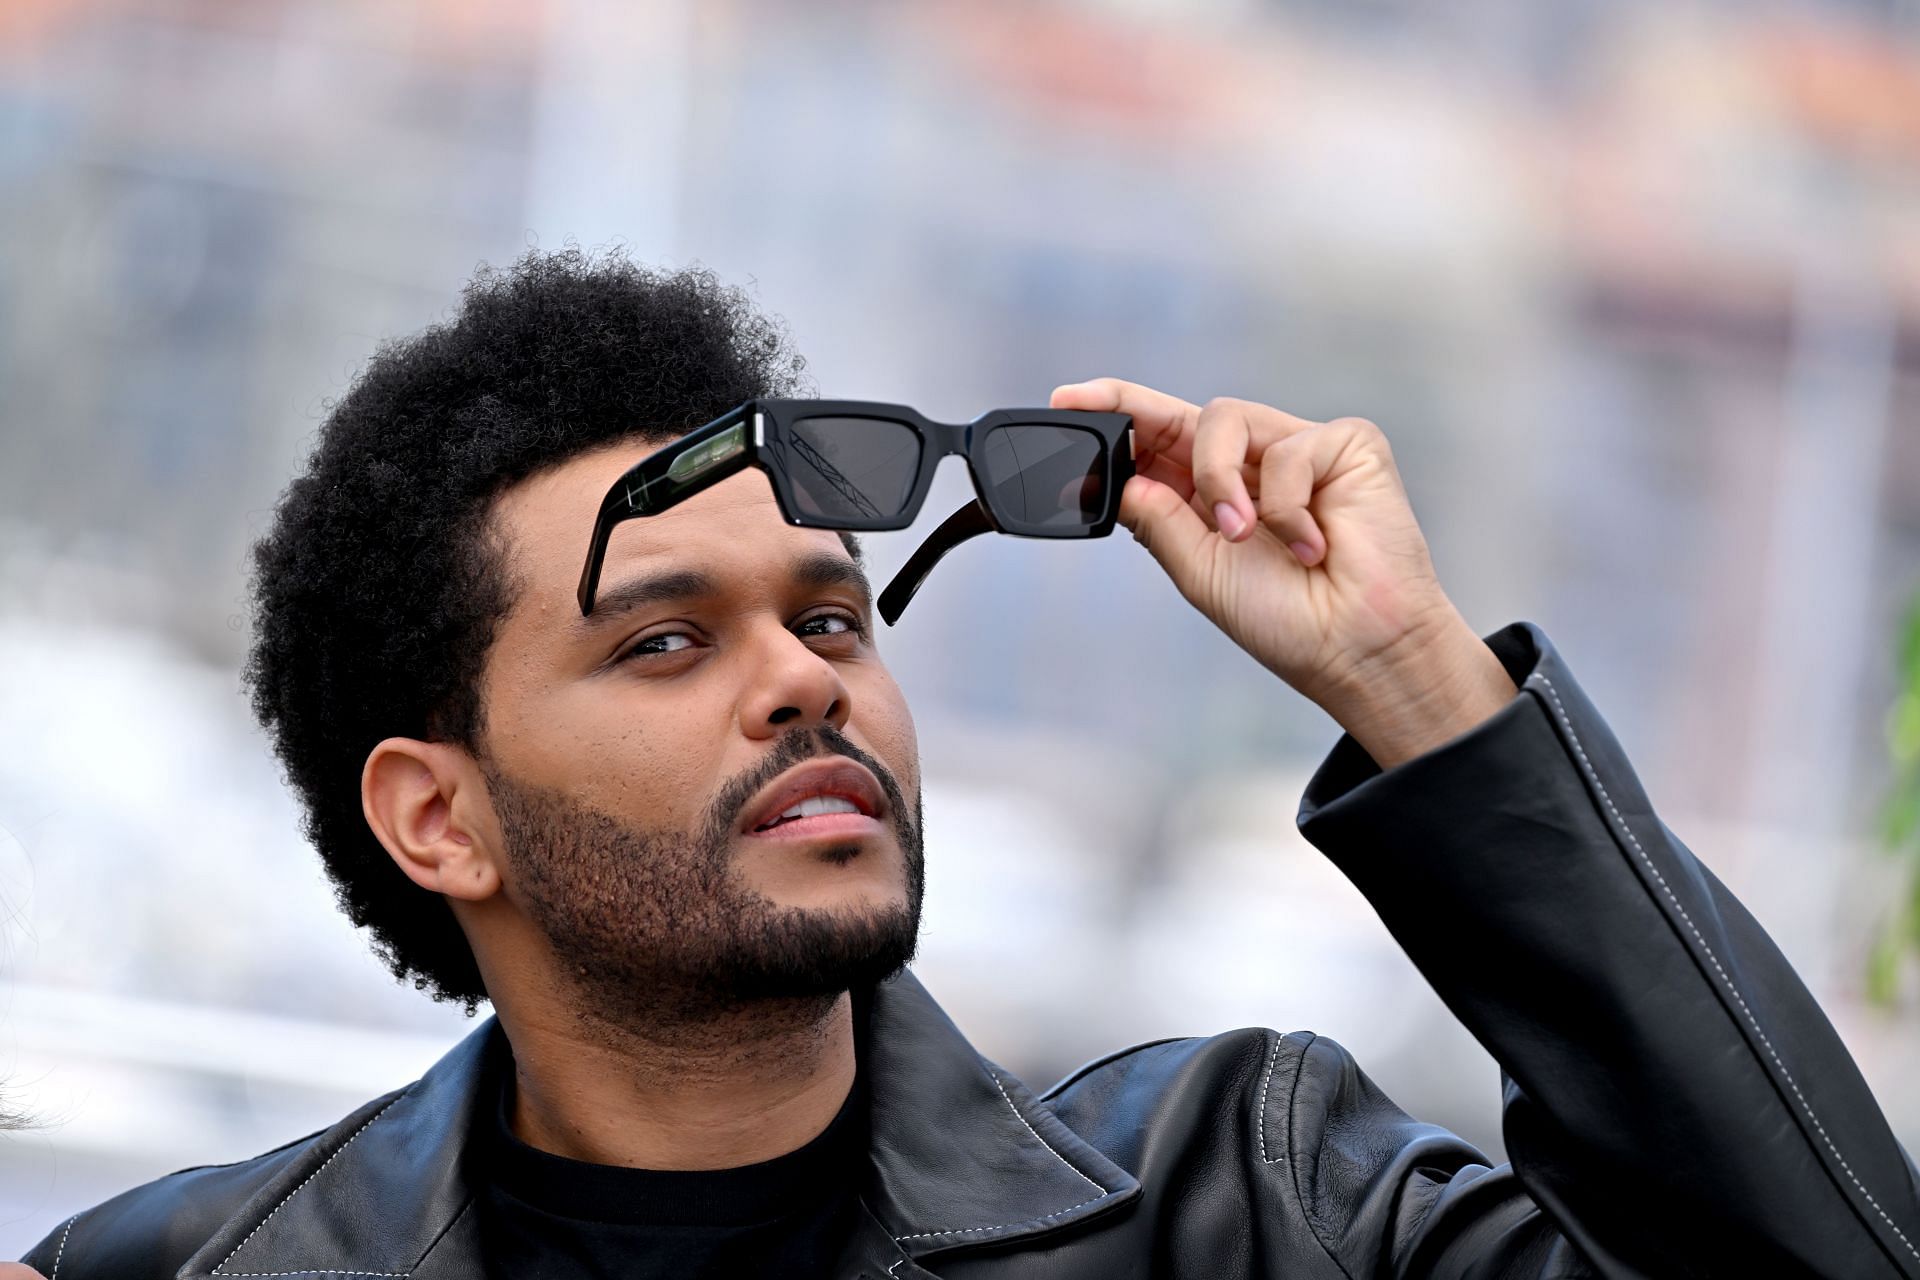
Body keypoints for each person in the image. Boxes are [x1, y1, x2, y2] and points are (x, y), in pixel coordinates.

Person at [20, 248, 1920, 1279]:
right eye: (667, 639)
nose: (805, 685)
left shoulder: (1259, 1202)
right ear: (440, 816)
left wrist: (1415, 680)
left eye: (834, 618)